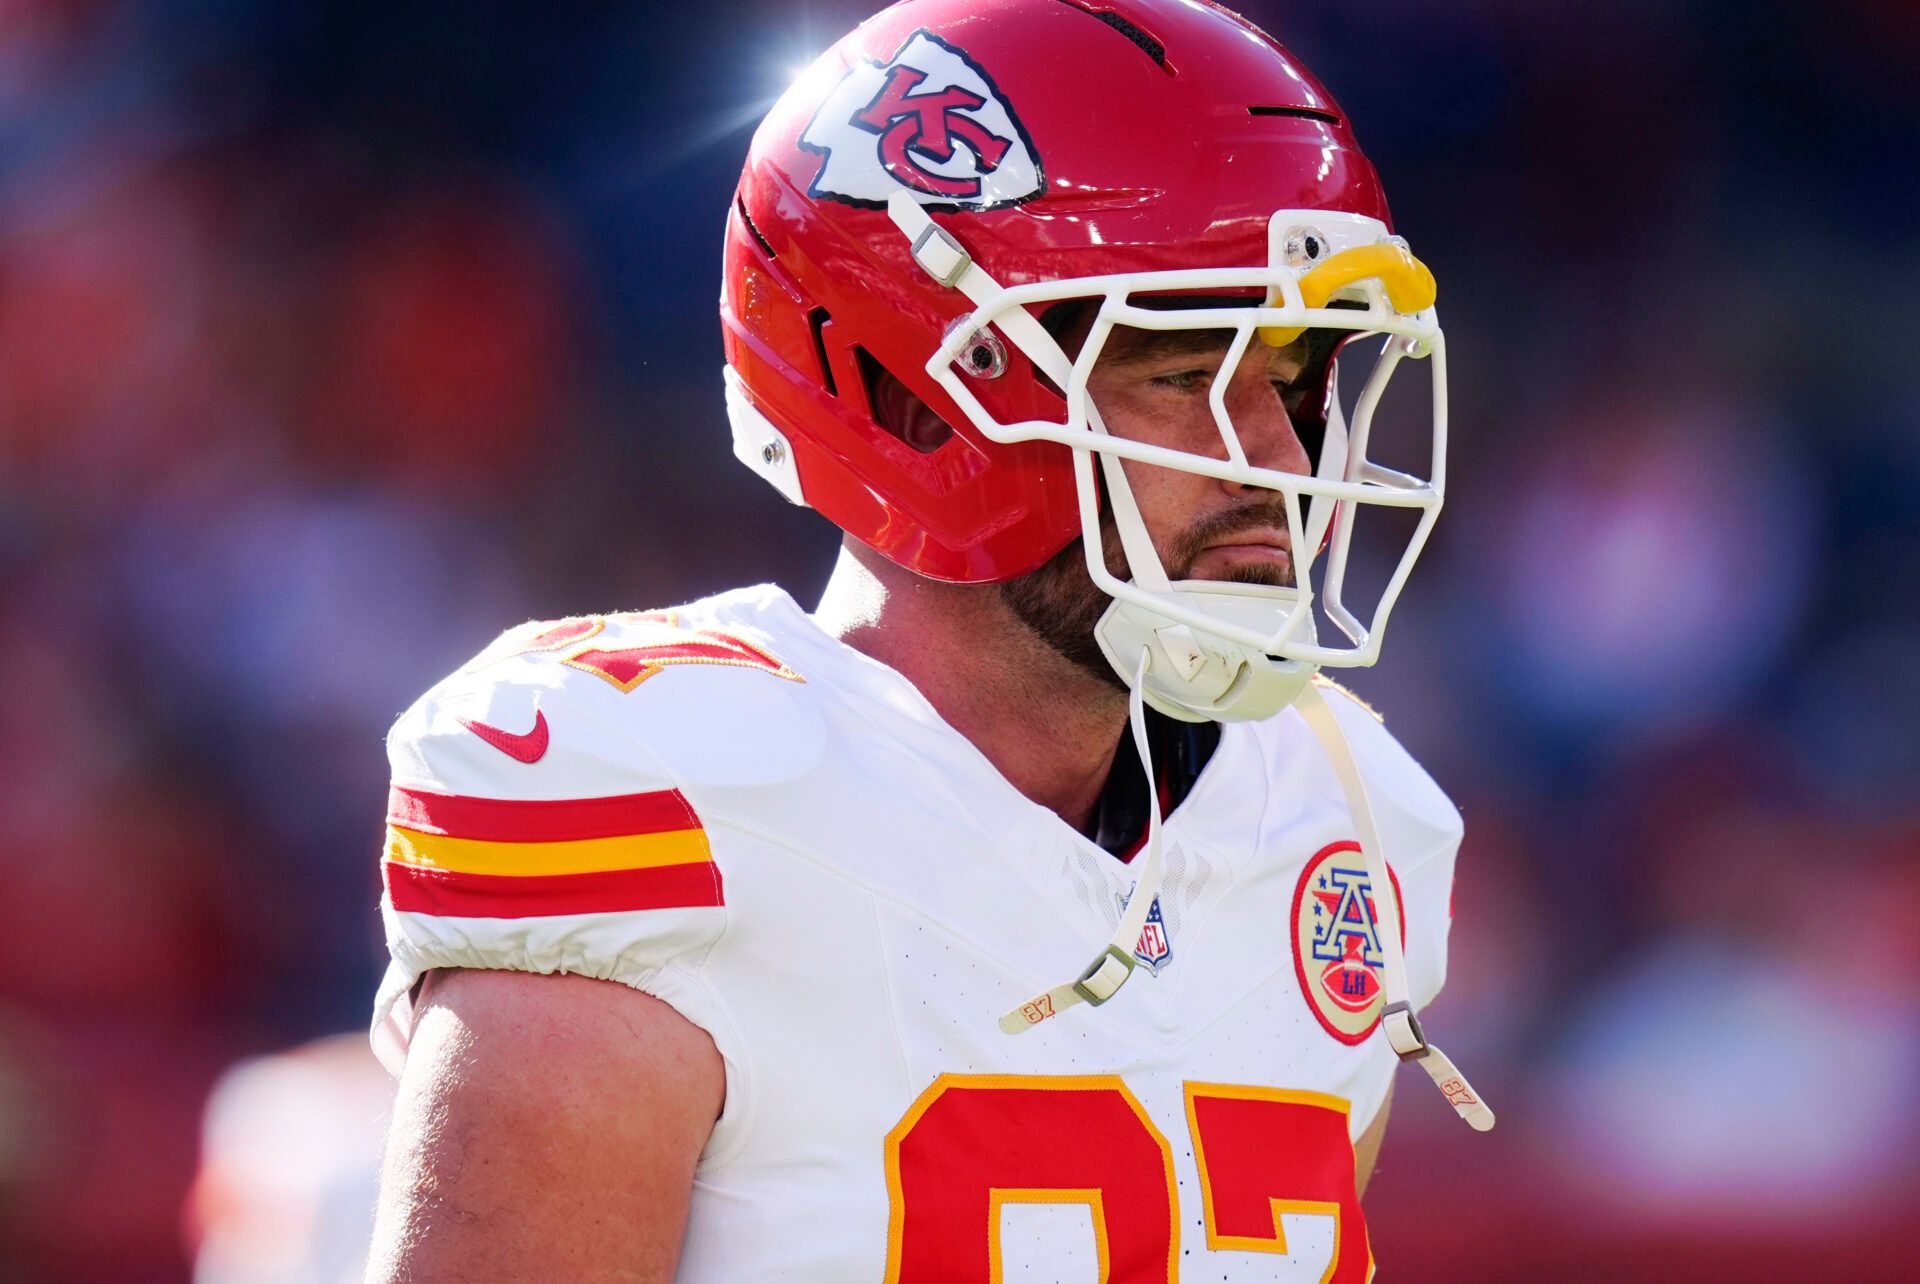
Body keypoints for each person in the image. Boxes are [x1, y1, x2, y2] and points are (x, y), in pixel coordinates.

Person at [366, 1, 1490, 1279]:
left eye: (1294, 383)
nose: (1281, 465)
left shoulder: (1340, 822)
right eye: (1186, 377)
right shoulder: (668, 798)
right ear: (908, 393)